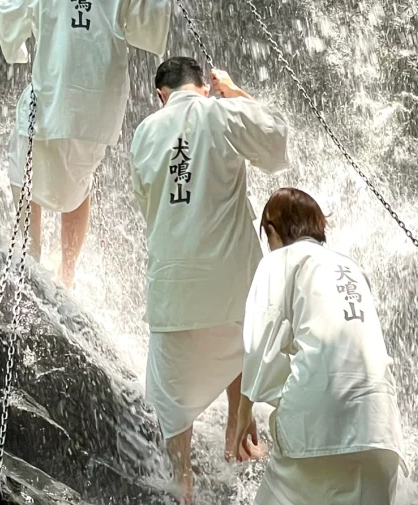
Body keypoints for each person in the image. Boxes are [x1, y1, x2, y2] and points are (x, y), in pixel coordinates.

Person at [0, 0, 172, 288]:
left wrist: (21, 47)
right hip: (98, 104)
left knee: (26, 173)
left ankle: (30, 262)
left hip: (51, 92)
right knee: (80, 182)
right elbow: (157, 10)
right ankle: (68, 275)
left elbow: (5, 12)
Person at [130, 55, 289, 502]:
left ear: (161, 95)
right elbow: (275, 143)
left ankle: (183, 484)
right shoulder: (221, 112)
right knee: (242, 341)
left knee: (172, 403)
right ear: (203, 86)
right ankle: (238, 438)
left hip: (172, 295)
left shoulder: (145, 131)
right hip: (233, 292)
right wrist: (235, 91)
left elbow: (146, 203)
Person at [230, 188, 405, 505]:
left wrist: (244, 410)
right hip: (380, 432)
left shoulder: (279, 261)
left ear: (272, 229)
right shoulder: (352, 268)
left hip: (315, 430)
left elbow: (259, 341)